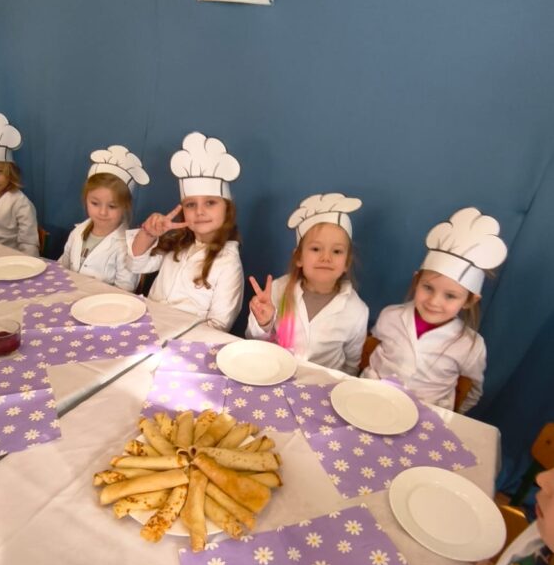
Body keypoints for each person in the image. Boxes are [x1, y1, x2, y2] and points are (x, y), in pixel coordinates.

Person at [363, 207, 508, 411]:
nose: (434, 301)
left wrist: (449, 417)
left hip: (425, 414)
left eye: (450, 296)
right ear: (416, 281)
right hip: (370, 398)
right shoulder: (390, 316)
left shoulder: (471, 346)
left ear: (469, 300)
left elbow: (471, 391)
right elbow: (370, 350)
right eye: (428, 288)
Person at [127, 131, 244, 330]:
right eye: (190, 205)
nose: (199, 211)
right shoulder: (177, 244)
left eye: (210, 202)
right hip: (147, 325)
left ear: (227, 209)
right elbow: (136, 263)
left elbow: (219, 326)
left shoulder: (228, 263)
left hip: (184, 340)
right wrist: (148, 233)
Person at [246, 193, 368, 374]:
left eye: (336, 251)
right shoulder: (278, 290)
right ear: (299, 258)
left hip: (324, 386)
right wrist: (263, 323)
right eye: (316, 249)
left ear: (346, 263)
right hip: (275, 375)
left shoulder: (356, 311)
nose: (326, 257)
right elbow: (253, 342)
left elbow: (351, 365)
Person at [59, 145, 149, 291]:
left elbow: (125, 290)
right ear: (86, 200)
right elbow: (62, 267)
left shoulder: (126, 247)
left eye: (112, 206)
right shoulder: (77, 232)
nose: (102, 212)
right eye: (95, 203)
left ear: (125, 206)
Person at [0, 106, 39, 256]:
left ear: (10, 172)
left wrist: (26, 264)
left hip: (8, 261)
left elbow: (29, 242)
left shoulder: (19, 202)